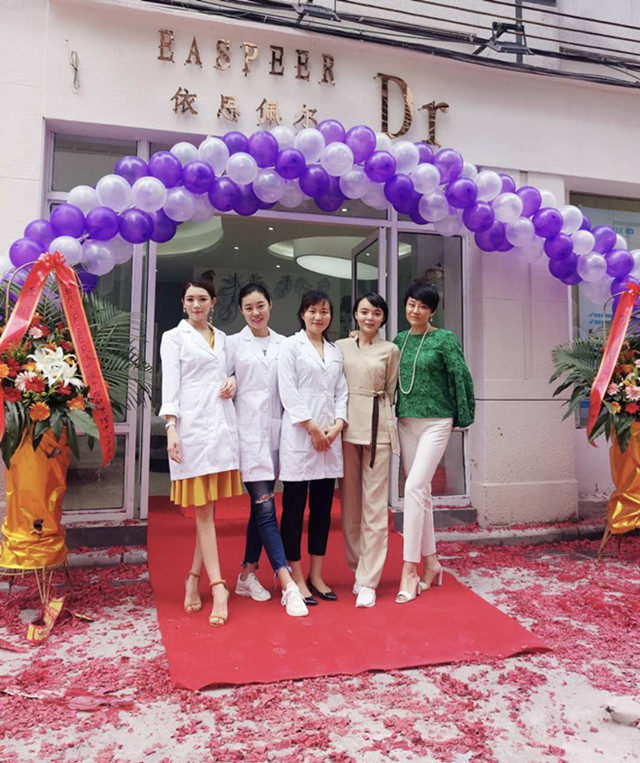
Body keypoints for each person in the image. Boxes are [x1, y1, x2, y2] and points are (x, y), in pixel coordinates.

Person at [159, 279, 241, 627]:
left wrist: (233, 381)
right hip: (190, 430)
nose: (196, 304)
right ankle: (218, 586)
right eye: (190, 299)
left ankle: (193, 577)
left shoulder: (223, 339)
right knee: (203, 510)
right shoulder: (173, 338)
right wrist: (171, 428)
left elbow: (231, 373)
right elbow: (170, 385)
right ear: (183, 303)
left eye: (202, 299)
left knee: (208, 507)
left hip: (220, 428)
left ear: (213, 303)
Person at [226, 283, 308, 618]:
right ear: (241, 311)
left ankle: (247, 574)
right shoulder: (232, 344)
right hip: (247, 437)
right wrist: (231, 381)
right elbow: (222, 378)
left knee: (260, 510)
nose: (255, 313)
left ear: (270, 305)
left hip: (278, 436)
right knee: (265, 506)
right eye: (248, 308)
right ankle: (287, 583)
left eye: (260, 305)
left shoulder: (286, 344)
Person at [393, 280, 474, 604]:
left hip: (437, 421)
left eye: (423, 306)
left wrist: (461, 415)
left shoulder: (444, 339)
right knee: (421, 493)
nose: (416, 310)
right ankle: (432, 563)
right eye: (411, 304)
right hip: (406, 421)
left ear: (432, 311)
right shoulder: (399, 340)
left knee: (412, 487)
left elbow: (461, 376)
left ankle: (409, 569)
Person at [278, 290, 348, 604]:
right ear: (302, 313)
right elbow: (288, 391)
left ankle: (316, 574)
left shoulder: (335, 351)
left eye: (324, 311)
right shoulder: (290, 346)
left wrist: (338, 424)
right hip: (300, 437)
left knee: (322, 510)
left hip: (329, 440)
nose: (318, 317)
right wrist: (312, 427)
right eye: (312, 311)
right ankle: (295, 575)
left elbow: (341, 392)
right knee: (294, 510)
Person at [336, 293, 399, 608]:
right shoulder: (340, 347)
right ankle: (356, 568)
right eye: (364, 312)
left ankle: (369, 580)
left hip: (377, 428)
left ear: (383, 317)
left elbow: (390, 389)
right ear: (355, 315)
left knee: (374, 506)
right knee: (350, 503)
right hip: (346, 426)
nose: (369, 318)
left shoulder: (390, 350)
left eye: (376, 313)